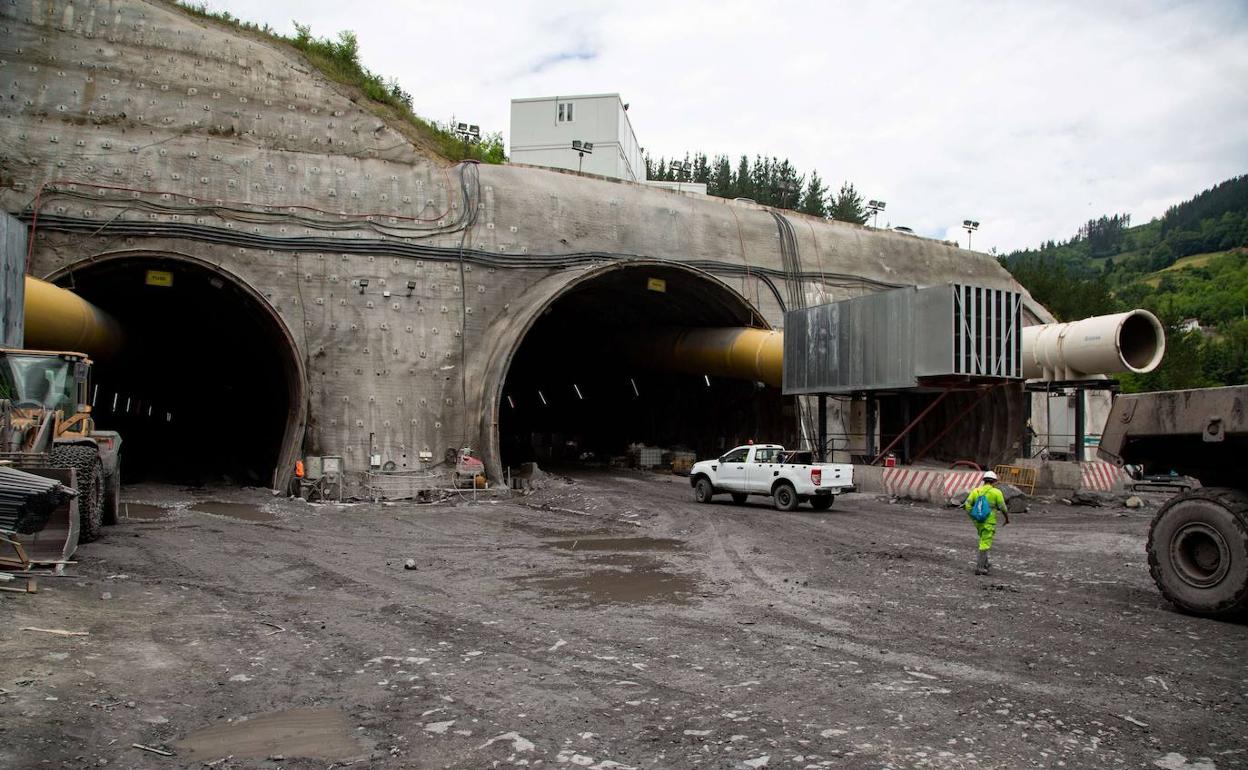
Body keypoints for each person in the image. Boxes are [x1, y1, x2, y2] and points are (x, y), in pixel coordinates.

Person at [963, 470, 1009, 575]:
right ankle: (980, 567)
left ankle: (985, 563)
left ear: (984, 480)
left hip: (978, 522)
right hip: (989, 522)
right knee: (985, 543)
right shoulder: (996, 492)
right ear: (994, 481)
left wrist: (974, 517)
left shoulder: (976, 491)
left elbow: (967, 505)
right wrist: (1007, 519)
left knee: (983, 540)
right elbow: (1003, 508)